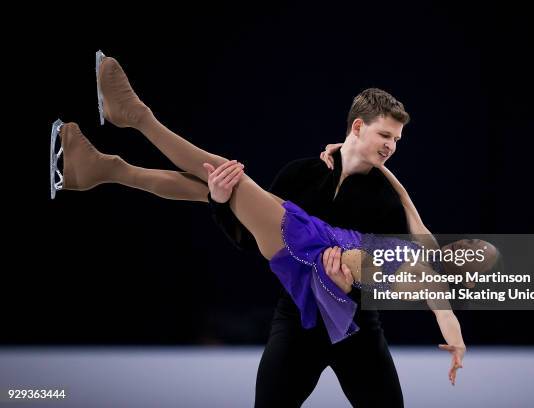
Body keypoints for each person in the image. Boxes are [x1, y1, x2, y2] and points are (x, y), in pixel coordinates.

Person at [50, 52, 470, 405]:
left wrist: (453, 338)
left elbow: (426, 267)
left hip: (355, 329)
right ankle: (112, 154)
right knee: (220, 185)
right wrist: (218, 201)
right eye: (385, 135)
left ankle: (121, 142)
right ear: (357, 127)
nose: (391, 146)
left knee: (225, 180)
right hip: (298, 310)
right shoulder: (303, 173)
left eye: (397, 140)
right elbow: (248, 237)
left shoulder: (386, 200)